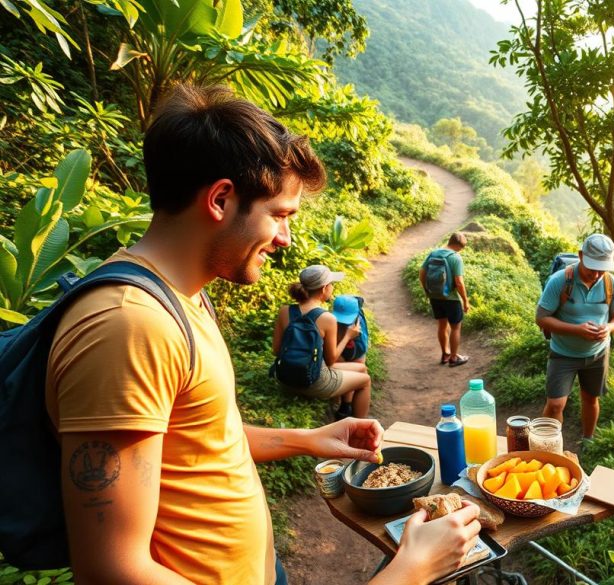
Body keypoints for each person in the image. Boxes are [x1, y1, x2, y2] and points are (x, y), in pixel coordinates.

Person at [43, 83, 479, 585]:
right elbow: (111, 572)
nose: (285, 238)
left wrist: (311, 440)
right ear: (221, 199)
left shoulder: (179, 298)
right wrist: (407, 573)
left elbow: (199, 441)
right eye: (279, 215)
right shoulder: (129, 325)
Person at [536, 234, 614, 441]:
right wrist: (577, 330)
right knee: (556, 404)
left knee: (591, 398)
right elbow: (541, 318)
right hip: (563, 353)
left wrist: (609, 328)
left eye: (601, 269)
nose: (596, 274)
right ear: (580, 256)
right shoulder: (559, 281)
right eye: (591, 267)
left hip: (597, 354)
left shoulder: (612, 284)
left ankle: (588, 440)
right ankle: (548, 444)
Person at [272, 265, 372, 420]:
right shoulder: (327, 318)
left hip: (285, 378)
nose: (332, 288)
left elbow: (277, 350)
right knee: (365, 380)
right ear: (324, 288)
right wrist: (348, 336)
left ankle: (342, 408)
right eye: (331, 284)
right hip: (313, 381)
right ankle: (359, 427)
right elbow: (331, 361)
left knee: (361, 368)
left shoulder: (285, 310)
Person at [419, 232, 471, 367]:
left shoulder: (434, 253)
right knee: (455, 327)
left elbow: (422, 272)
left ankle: (445, 354)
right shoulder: (456, 257)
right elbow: (459, 282)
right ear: (459, 247)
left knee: (442, 325)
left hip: (435, 296)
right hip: (451, 298)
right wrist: (465, 300)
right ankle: (454, 358)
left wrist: (426, 290)